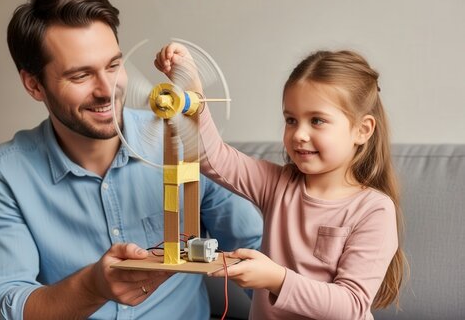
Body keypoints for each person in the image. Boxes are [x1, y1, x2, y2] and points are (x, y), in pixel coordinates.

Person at [0, 0, 263, 320]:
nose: (107, 89)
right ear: (34, 85)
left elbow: (258, 253)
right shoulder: (3, 174)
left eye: (113, 66)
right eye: (80, 75)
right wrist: (91, 287)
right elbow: (1, 304)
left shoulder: (183, 142)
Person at [155, 44, 408, 319]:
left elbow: (350, 306)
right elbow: (210, 157)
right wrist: (193, 91)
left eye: (317, 120)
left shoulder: (374, 210)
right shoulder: (278, 184)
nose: (299, 134)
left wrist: (277, 279)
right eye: (291, 120)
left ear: (362, 130)